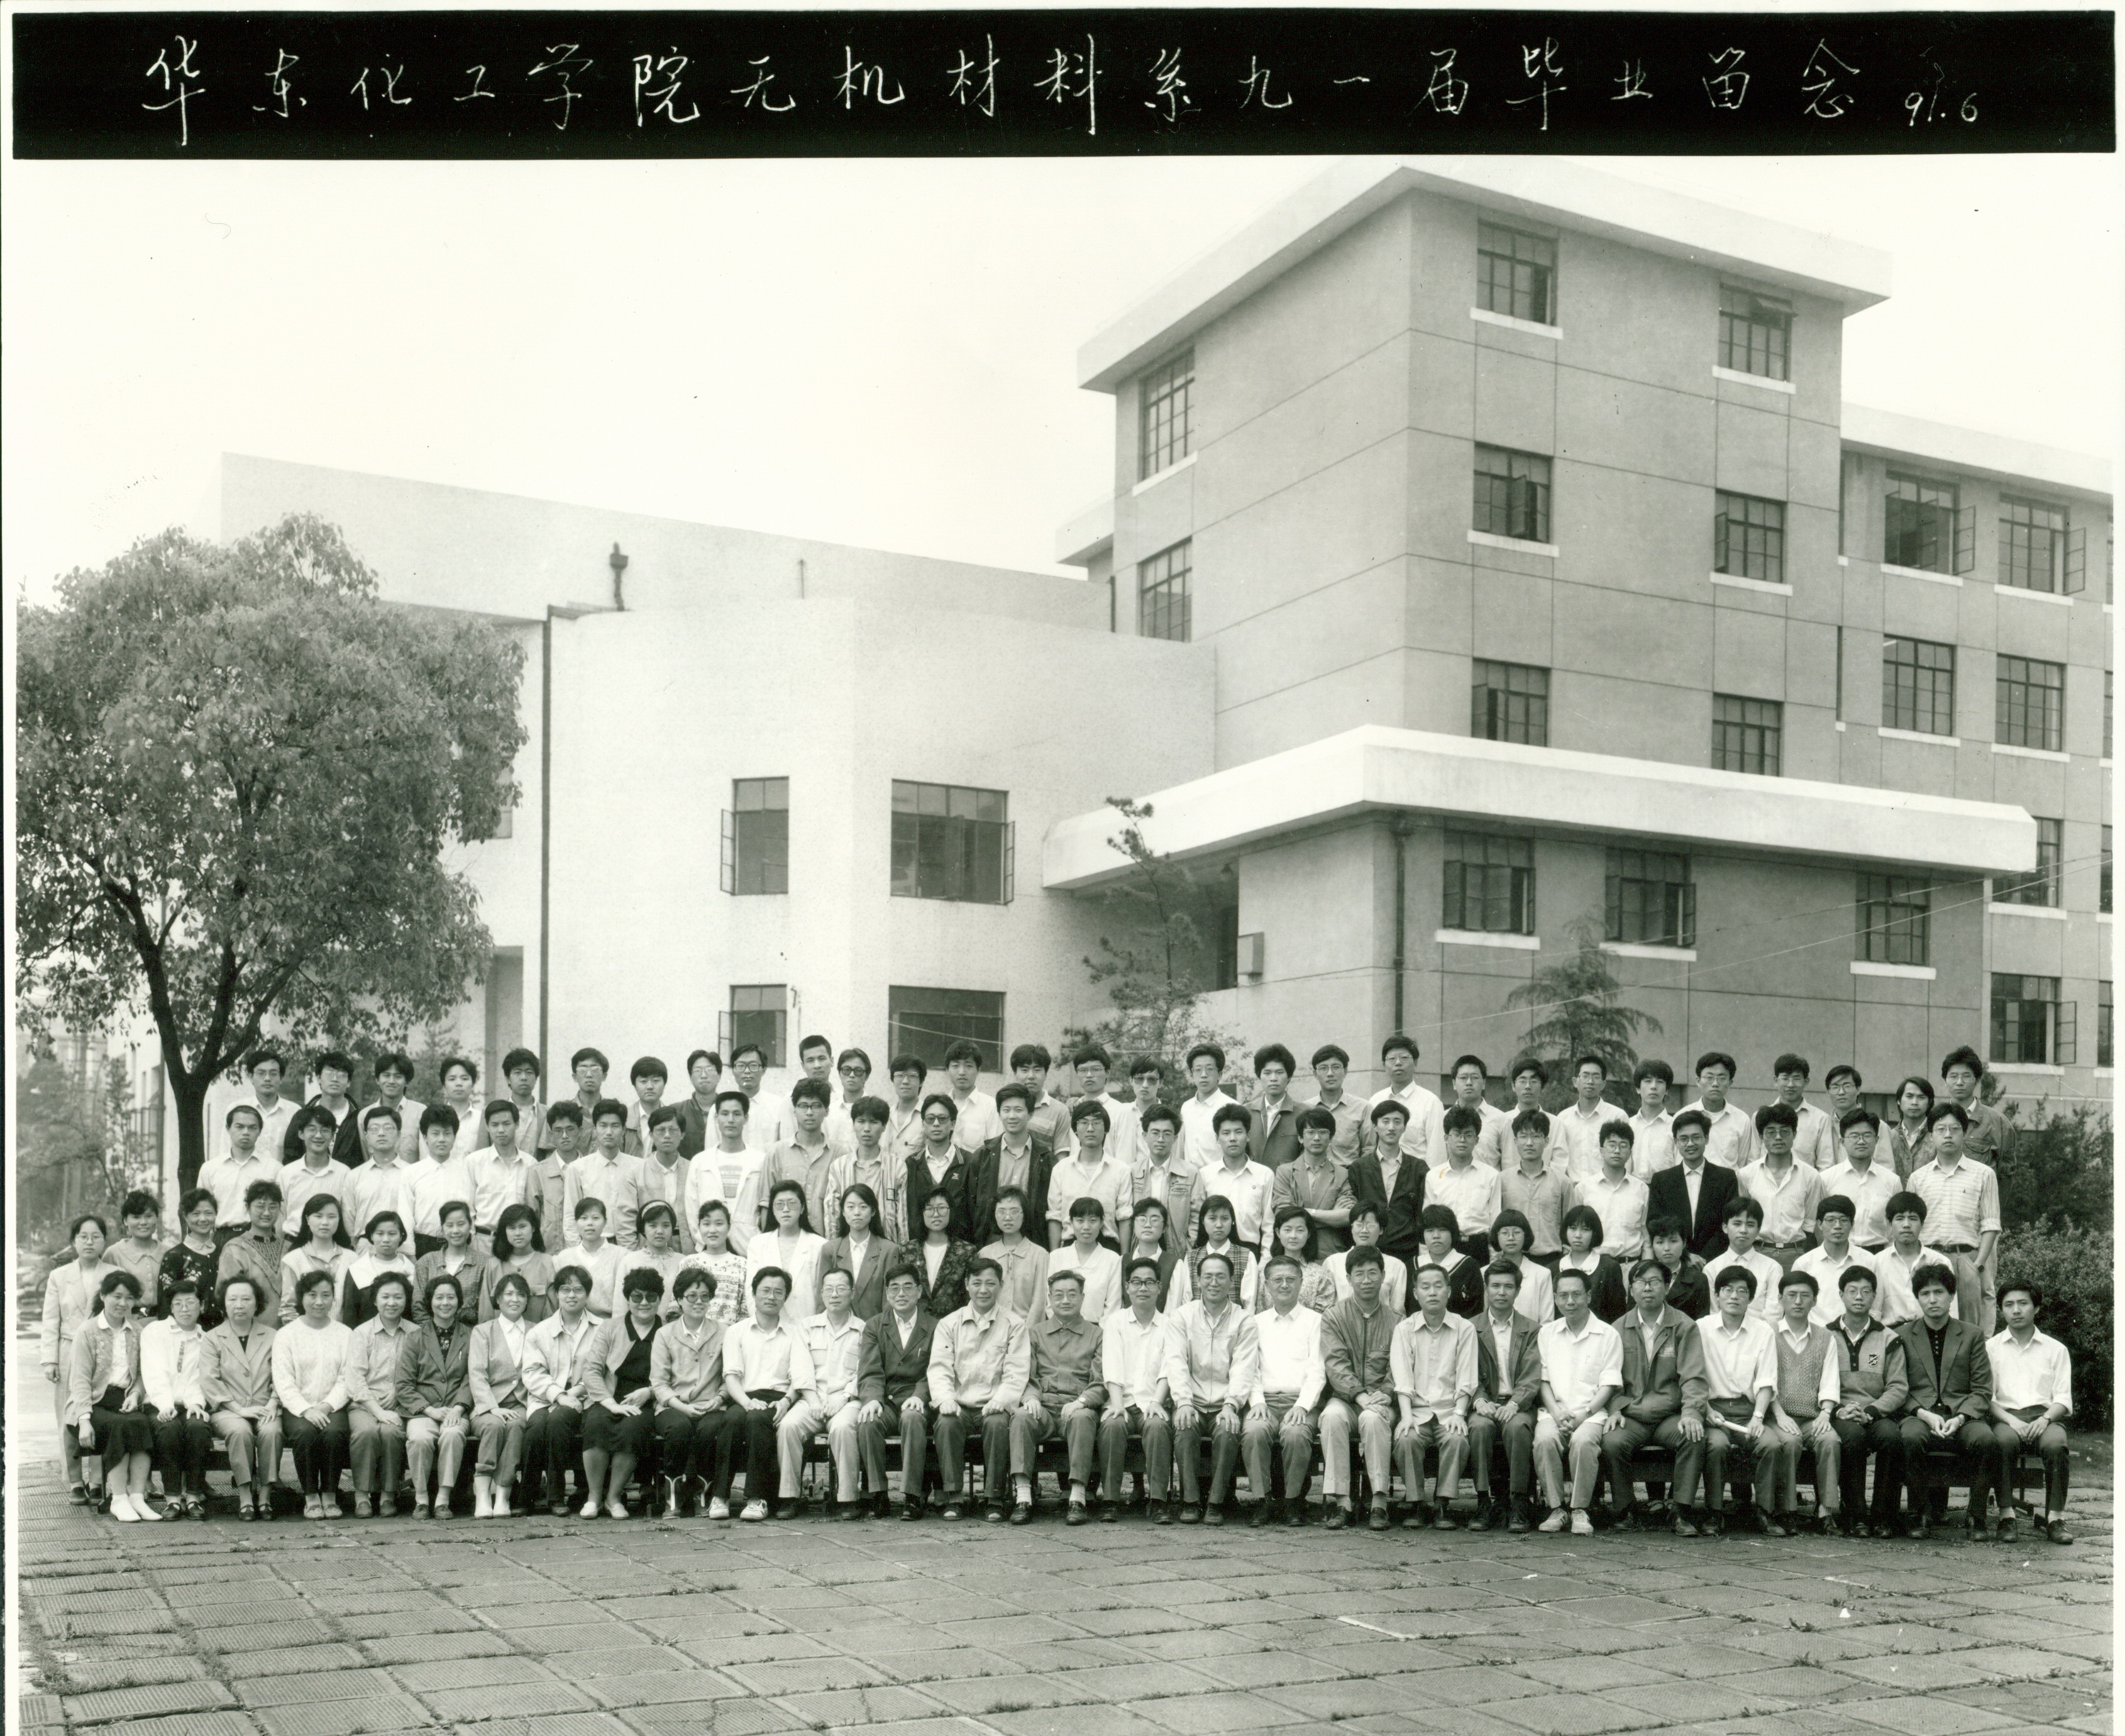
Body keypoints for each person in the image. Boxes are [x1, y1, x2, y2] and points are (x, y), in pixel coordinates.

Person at [1599, 1256, 1708, 1535]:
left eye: (1655, 1282)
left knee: (1694, 1436)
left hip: (1670, 1416)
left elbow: (1693, 1376)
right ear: (1631, 1289)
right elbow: (1610, 1378)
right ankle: (1625, 1509)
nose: (1647, 1288)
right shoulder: (1617, 1329)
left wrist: (1691, 1413)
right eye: (1641, 1282)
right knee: (1612, 1442)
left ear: (1667, 1287)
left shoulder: (1683, 1326)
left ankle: (1681, 1510)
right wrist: (1614, 1409)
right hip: (1632, 1416)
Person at [927, 1257, 1029, 1523]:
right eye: (977, 1283)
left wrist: (1001, 1400)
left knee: (998, 1424)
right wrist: (946, 1399)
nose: (983, 1290)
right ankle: (953, 1497)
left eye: (990, 1283)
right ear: (966, 1285)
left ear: (1001, 1285)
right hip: (959, 1405)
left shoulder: (1014, 1324)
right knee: (946, 1423)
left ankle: (994, 1498)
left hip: (994, 1405)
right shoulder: (949, 1324)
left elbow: (1017, 1371)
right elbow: (939, 1368)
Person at [1896, 1264, 1993, 1539]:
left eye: (1939, 1292)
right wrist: (1922, 1413)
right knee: (1910, 1437)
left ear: (1952, 1296)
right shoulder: (1903, 1335)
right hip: (1919, 1414)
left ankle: (1977, 1517)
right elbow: (1898, 1387)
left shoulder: (1972, 1334)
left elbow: (1982, 1389)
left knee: (1986, 1440)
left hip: (1962, 1415)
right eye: (1925, 1294)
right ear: (1917, 1298)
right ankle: (1919, 1514)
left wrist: (1961, 1417)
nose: (1932, 1300)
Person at [1694, 1266, 1791, 1535]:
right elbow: (1692, 1376)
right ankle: (1714, 1512)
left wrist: (1758, 1417)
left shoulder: (1762, 1331)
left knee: (1771, 1445)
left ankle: (1765, 1512)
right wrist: (1706, 1408)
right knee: (1716, 1446)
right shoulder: (1701, 1328)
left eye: (1742, 1291)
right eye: (1727, 1290)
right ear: (1717, 1295)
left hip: (1749, 1411)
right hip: (1713, 1411)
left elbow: (1767, 1380)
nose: (1734, 1296)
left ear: (1750, 1298)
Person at [1165, 1251, 1257, 1525]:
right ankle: (1190, 1501)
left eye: (1220, 1277)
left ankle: (1216, 1503)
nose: (1214, 1283)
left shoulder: (1244, 1320)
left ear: (1231, 1281)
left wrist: (1232, 1405)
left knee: (1228, 1429)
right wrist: (1183, 1401)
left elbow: (1243, 1367)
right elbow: (1176, 1362)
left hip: (1224, 1402)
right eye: (1208, 1277)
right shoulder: (1182, 1316)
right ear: (1198, 1280)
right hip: (1191, 1401)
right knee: (1184, 1427)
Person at [1010, 1269, 1107, 1524]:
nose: (1066, 1300)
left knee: (1084, 1418)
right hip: (1043, 1408)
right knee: (1020, 1417)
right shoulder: (1035, 1333)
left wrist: (1081, 1402)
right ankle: (1023, 1497)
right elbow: (1025, 1374)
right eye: (1059, 1295)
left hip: (1075, 1407)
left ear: (1082, 1297)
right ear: (1049, 1298)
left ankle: (1077, 1497)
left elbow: (1100, 1381)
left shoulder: (1097, 1334)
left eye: (1072, 1294)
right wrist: (1030, 1397)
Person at [1984, 1279, 2075, 1545]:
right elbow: (1986, 1398)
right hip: (2006, 1418)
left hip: (2045, 1419)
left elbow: (2063, 1398)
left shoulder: (2055, 1349)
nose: (2016, 1310)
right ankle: (2006, 1516)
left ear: (2036, 1308)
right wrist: (2011, 1421)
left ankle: (2055, 1518)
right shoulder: (1991, 1348)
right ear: (2001, 1310)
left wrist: (2045, 1419)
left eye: (2023, 1303)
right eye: (2009, 1305)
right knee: (2002, 1442)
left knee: (2057, 1446)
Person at [1532, 1267, 1621, 1535]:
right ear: (1555, 1299)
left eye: (1576, 1295)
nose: (1570, 1302)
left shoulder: (1607, 1334)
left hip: (1591, 1414)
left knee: (1583, 1442)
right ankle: (1556, 1508)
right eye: (1563, 1296)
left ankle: (1580, 1509)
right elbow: (1543, 1381)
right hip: (1554, 1411)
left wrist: (1584, 1414)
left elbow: (1608, 1385)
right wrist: (1556, 1412)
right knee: (1544, 1440)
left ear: (1589, 1296)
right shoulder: (1547, 1333)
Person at [722, 1267, 816, 1520]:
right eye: (765, 1291)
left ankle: (757, 1498)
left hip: (780, 1398)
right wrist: (746, 1402)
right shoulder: (736, 1331)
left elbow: (800, 1375)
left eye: (778, 1292)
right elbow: (731, 1376)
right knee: (730, 1420)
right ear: (754, 1294)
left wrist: (787, 1401)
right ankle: (719, 1496)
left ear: (785, 1297)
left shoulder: (796, 1331)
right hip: (745, 1396)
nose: (771, 1297)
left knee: (758, 1420)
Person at [1318, 1246, 1401, 1531]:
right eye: (1360, 1274)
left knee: (1373, 1419)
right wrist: (1359, 1394)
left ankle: (1379, 1502)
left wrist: (1386, 1393)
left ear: (1383, 1276)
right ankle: (1343, 1502)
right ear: (1348, 1279)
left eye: (1373, 1273)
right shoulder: (1334, 1316)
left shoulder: (1397, 1321)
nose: (1366, 1281)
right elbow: (1335, 1364)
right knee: (1331, 1417)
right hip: (1345, 1398)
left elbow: (1398, 1367)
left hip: (1381, 1401)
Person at [1391, 1263, 1478, 1529]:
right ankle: (1416, 1503)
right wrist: (1406, 1416)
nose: (1432, 1292)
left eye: (1438, 1286)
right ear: (1415, 1293)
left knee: (1457, 1439)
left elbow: (1466, 1377)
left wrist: (1460, 1414)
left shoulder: (1464, 1328)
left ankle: (1442, 1504)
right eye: (1425, 1287)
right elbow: (1403, 1378)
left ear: (1449, 1292)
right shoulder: (1404, 1329)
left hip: (1450, 1410)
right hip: (1416, 1410)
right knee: (1406, 1439)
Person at [1825, 1266, 1909, 1539]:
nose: (1859, 1297)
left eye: (1865, 1291)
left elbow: (1898, 1387)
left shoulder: (1889, 1338)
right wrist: (1840, 1410)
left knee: (1892, 1438)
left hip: (1876, 1412)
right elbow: (1816, 1383)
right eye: (1852, 1291)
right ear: (1841, 1295)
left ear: (1874, 1296)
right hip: (1839, 1412)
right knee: (1853, 1438)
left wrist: (1871, 1411)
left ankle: (1884, 1516)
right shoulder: (1825, 1336)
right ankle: (1856, 1515)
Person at [39, 1214, 117, 1503]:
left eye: (96, 1237)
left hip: (104, 1350)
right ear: (74, 1241)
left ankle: (97, 1481)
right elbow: (51, 1320)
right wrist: (50, 1360)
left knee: (99, 1412)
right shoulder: (59, 1276)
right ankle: (74, 1480)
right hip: (68, 1350)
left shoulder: (114, 1273)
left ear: (104, 1241)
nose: (89, 1242)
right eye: (83, 1237)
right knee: (68, 1416)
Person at [1907, 1102, 2003, 1335]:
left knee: (1971, 1330)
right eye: (1941, 1130)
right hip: (1929, 1259)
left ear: (1965, 1133)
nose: (1948, 1135)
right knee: (1928, 1328)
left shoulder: (1984, 1174)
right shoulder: (1918, 1178)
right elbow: (1910, 1225)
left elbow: (1991, 1224)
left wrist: (1977, 1265)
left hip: (1967, 1259)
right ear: (1931, 1135)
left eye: (1955, 1129)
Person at [1245, 1254, 1325, 1528]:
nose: (1284, 1285)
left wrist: (1302, 1406)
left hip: (1300, 1400)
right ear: (1267, 1285)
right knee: (1254, 1431)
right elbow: (1251, 1369)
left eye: (1291, 1279)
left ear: (1301, 1282)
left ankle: (1293, 1502)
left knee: (1295, 1433)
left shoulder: (1315, 1321)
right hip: (1265, 1400)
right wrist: (1257, 1402)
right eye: (1277, 1280)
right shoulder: (1256, 1322)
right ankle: (1262, 1500)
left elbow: (1317, 1371)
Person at [780, 1267, 866, 1517]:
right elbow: (800, 1367)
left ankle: (848, 1499)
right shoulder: (807, 1327)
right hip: (812, 1399)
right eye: (828, 1289)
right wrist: (813, 1400)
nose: (834, 1294)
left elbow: (865, 1372)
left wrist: (843, 1399)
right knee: (788, 1426)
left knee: (843, 1428)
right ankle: (789, 1497)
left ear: (852, 1293)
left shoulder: (864, 1329)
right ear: (821, 1294)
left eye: (841, 1289)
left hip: (848, 1401)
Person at [856, 1266, 937, 1520]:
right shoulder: (875, 1326)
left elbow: (936, 1370)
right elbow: (870, 1370)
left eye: (908, 1287)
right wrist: (872, 1400)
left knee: (913, 1418)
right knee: (868, 1421)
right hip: (887, 1401)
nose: (901, 1294)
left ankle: (913, 1496)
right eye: (895, 1288)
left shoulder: (935, 1326)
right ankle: (877, 1493)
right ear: (888, 1293)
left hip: (918, 1400)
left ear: (919, 1291)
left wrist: (920, 1395)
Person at [73, 1272, 157, 1520]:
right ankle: (119, 1499)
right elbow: (80, 1380)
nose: (123, 1303)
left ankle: (137, 1497)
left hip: (125, 1399)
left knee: (141, 1423)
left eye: (129, 1298)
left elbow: (142, 1373)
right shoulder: (87, 1331)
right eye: (117, 1296)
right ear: (103, 1296)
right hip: (93, 1403)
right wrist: (84, 1420)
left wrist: (137, 1394)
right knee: (120, 1426)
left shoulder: (138, 1331)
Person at [273, 1268, 354, 1521]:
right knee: (305, 1432)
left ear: (333, 1298)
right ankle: (310, 1497)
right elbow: (283, 1379)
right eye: (312, 1295)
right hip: (298, 1407)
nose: (319, 1302)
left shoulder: (345, 1334)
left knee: (334, 1432)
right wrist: (306, 1409)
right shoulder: (287, 1335)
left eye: (326, 1295)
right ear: (301, 1298)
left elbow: (347, 1377)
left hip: (333, 1406)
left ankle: (329, 1495)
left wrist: (328, 1406)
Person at [581, 1268, 663, 1518]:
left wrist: (650, 1392)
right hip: (609, 1398)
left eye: (651, 1297)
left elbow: (677, 1376)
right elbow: (591, 1370)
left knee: (633, 1429)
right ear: (628, 1299)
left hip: (647, 1402)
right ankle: (594, 1498)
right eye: (637, 1297)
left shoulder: (667, 1331)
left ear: (660, 1299)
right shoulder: (610, 1328)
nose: (644, 1303)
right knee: (596, 1424)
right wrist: (611, 1404)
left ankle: (613, 1498)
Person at [1098, 1258, 1175, 1523]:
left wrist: (1157, 1402)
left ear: (1159, 1287)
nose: (1143, 1288)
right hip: (1122, 1399)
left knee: (1158, 1426)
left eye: (1149, 1282)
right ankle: (1110, 1500)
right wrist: (1117, 1405)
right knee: (1112, 1425)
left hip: (1154, 1400)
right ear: (1127, 1287)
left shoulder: (1170, 1324)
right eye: (1137, 1282)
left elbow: (1168, 1369)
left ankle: (1158, 1501)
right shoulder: (1115, 1322)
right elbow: (1112, 1366)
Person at [1468, 1261, 1542, 1533]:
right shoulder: (1470, 1328)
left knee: (1518, 1427)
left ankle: (1519, 1501)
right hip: (1485, 1403)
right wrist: (1479, 1400)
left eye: (1508, 1287)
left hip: (1519, 1403)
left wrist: (1515, 1404)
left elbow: (1532, 1375)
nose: (1501, 1292)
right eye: (1496, 1286)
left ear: (1518, 1290)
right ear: (1486, 1289)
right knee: (1479, 1427)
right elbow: (1466, 1372)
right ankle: (1483, 1501)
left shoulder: (1531, 1329)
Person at [650, 1265, 728, 1518]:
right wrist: (682, 1407)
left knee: (710, 1430)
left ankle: (702, 1495)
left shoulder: (724, 1332)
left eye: (705, 1296)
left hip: (712, 1404)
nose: (699, 1302)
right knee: (679, 1429)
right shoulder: (665, 1334)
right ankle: (673, 1497)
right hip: (673, 1405)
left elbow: (730, 1375)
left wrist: (720, 1398)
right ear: (680, 1299)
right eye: (692, 1296)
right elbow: (659, 1383)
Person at [202, 1274, 281, 1520]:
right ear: (223, 1304)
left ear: (257, 1303)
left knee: (272, 1432)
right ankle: (245, 1497)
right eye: (233, 1299)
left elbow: (283, 1375)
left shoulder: (273, 1336)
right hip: (228, 1409)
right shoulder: (212, 1338)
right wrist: (238, 1409)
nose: (239, 1305)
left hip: (266, 1406)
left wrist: (273, 1402)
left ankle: (265, 1497)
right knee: (240, 1432)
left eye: (246, 1299)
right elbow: (209, 1380)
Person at [522, 1263, 600, 1514]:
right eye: (565, 1289)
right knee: (536, 1428)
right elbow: (532, 1372)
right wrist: (558, 1395)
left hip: (586, 1398)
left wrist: (574, 1393)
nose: (571, 1295)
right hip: (546, 1397)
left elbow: (602, 1371)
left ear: (587, 1294)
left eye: (578, 1289)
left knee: (559, 1420)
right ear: (556, 1293)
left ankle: (556, 1497)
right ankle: (527, 1495)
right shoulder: (540, 1331)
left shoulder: (601, 1329)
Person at [1769, 1272, 1841, 1534]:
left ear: (1815, 1301)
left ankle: (1826, 1512)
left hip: (1813, 1417)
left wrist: (1825, 1413)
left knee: (1830, 1440)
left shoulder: (1825, 1337)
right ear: (1781, 1299)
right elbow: (1764, 1381)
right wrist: (1779, 1415)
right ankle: (1787, 1510)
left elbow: (1830, 1380)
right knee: (1790, 1442)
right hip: (1777, 1416)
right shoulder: (1768, 1334)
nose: (1798, 1301)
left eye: (1805, 1296)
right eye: (1792, 1295)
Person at [399, 1274, 473, 1518]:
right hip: (424, 1410)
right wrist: (429, 1410)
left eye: (451, 1297)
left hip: (455, 1408)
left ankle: (442, 1499)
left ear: (459, 1301)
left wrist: (459, 1408)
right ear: (430, 1302)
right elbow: (404, 1384)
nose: (445, 1303)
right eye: (439, 1297)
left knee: (453, 1435)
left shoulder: (471, 1336)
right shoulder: (415, 1338)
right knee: (420, 1438)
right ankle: (421, 1499)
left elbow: (473, 1377)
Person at [343, 1270, 414, 1516]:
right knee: (366, 1432)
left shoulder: (415, 1333)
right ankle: (362, 1495)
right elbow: (355, 1379)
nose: (391, 1303)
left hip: (399, 1403)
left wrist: (398, 1393)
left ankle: (388, 1495)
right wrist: (377, 1410)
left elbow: (419, 1374)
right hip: (364, 1404)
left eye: (398, 1297)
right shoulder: (361, 1333)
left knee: (392, 1432)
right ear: (375, 1300)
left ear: (406, 1300)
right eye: (385, 1297)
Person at [141, 1278, 213, 1518]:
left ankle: (193, 1497)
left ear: (201, 1306)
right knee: (168, 1428)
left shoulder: (206, 1339)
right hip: (158, 1403)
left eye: (190, 1302)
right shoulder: (155, 1331)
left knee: (198, 1427)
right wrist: (165, 1405)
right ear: (171, 1307)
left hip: (190, 1403)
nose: (184, 1309)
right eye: (178, 1303)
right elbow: (154, 1372)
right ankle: (172, 1499)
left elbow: (201, 1377)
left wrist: (196, 1404)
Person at [468, 1270, 536, 1517]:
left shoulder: (536, 1331)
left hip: (521, 1404)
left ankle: (503, 1495)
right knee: (494, 1426)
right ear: (498, 1299)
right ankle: (483, 1495)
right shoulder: (483, 1331)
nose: (514, 1299)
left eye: (521, 1294)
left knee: (517, 1426)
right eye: (508, 1294)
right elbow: (477, 1373)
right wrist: (492, 1407)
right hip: (487, 1406)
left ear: (527, 1300)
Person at [969, 1083, 1056, 1250]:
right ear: (999, 1114)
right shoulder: (983, 1156)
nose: (1012, 1116)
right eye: (1006, 1110)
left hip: (1033, 1241)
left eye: (1018, 1110)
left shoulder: (1046, 1158)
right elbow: (972, 1205)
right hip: (991, 1242)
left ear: (1030, 1114)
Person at [1741, 1103, 1826, 1273]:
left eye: (1785, 1132)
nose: (1778, 1137)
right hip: (1758, 1252)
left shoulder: (1811, 1176)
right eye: (1771, 1132)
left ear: (1795, 1134)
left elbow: (1810, 1224)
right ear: (1761, 1136)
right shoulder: (1746, 1175)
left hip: (1797, 1253)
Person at [1648, 1110, 1741, 1261]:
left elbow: (1729, 1223)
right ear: (1676, 1142)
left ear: (1706, 1138)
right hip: (1675, 1260)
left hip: (1716, 1260)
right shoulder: (1661, 1180)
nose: (1690, 1144)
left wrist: (1704, 1258)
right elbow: (1655, 1224)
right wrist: (1686, 1256)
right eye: (1684, 1139)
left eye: (1696, 1137)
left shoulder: (1726, 1178)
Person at [1188, 1104, 1276, 1260]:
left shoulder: (1264, 1175)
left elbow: (1269, 1224)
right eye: (1226, 1133)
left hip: (1251, 1252)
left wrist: (1265, 1260)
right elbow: (1198, 1220)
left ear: (1248, 1136)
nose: (1233, 1138)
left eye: (1238, 1132)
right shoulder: (1205, 1175)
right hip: (1213, 1253)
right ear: (1217, 1138)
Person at [1044, 1100, 1132, 1252]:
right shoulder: (1061, 1169)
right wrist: (1055, 1255)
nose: (1090, 1129)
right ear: (1075, 1129)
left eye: (1096, 1123)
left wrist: (1124, 1258)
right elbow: (1055, 1217)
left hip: (1109, 1248)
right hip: (1070, 1247)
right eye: (1084, 1123)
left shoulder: (1121, 1170)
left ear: (1106, 1129)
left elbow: (1124, 1217)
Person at [1272, 1107, 1357, 1259]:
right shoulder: (1285, 1172)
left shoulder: (1342, 1174)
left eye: (1323, 1132)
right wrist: (1330, 1216)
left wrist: (1303, 1211)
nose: (1316, 1138)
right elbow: (1283, 1215)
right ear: (1300, 1138)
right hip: (1294, 1250)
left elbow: (1347, 1217)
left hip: (1329, 1251)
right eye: (1310, 1132)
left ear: (1331, 1138)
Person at [824, 1096, 904, 1252]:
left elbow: (903, 1218)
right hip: (848, 1250)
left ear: (884, 1126)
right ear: (853, 1124)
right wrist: (834, 1251)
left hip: (887, 1250)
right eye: (861, 1121)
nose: (867, 1129)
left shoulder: (897, 1167)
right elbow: (831, 1215)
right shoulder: (839, 1167)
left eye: (874, 1122)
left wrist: (902, 1253)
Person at [762, 1078, 838, 1239]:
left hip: (828, 1242)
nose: (809, 1113)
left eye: (816, 1106)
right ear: (794, 1111)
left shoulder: (839, 1154)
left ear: (827, 1111)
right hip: (785, 1241)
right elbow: (766, 1204)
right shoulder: (777, 1153)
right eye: (803, 1106)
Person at [565, 1100, 644, 1249]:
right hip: (592, 1245)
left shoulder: (639, 1167)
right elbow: (570, 1216)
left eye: (615, 1126)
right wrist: (580, 1252)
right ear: (595, 1129)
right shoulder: (577, 1168)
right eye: (603, 1125)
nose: (609, 1132)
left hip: (630, 1245)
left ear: (624, 1130)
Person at [1428, 1108, 1503, 1265]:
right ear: (1446, 1138)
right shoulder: (1434, 1176)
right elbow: (1428, 1222)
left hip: (1478, 1247)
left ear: (1476, 1140)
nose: (1462, 1140)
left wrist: (1494, 1262)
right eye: (1457, 1134)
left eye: (1468, 1135)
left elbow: (1495, 1221)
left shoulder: (1491, 1175)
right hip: (1445, 1247)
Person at [466, 1100, 543, 1250]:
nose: (501, 1130)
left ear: (517, 1124)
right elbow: (468, 1208)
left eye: (506, 1124)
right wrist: (472, 1241)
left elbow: (534, 1210)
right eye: (495, 1125)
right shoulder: (474, 1162)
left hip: (519, 1243)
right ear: (487, 1127)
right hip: (483, 1242)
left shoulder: (530, 1164)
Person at [695, 1091, 766, 1253]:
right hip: (709, 1248)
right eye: (725, 1114)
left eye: (737, 1114)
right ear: (716, 1118)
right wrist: (702, 1241)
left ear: (746, 1118)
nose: (731, 1120)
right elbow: (692, 1209)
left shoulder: (760, 1161)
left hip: (749, 1246)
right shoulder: (700, 1161)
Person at [1823, 1110, 1901, 1254]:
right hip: (1839, 1253)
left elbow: (1896, 1227)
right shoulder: (1826, 1179)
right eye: (1854, 1136)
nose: (1861, 1141)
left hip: (1878, 1254)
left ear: (1876, 1140)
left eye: (1867, 1136)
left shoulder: (1892, 1181)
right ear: (1842, 1142)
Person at [746, 1181, 826, 1321]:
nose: (786, 1209)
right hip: (769, 1323)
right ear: (772, 1209)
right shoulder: (758, 1243)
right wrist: (760, 1322)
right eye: (779, 1204)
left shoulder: (819, 1245)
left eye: (792, 1204)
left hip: (806, 1322)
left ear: (802, 1207)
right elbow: (751, 1289)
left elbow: (822, 1294)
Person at [200, 1103, 280, 1243]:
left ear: (260, 1131)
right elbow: (203, 1209)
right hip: (223, 1238)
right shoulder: (210, 1168)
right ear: (228, 1128)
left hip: (262, 1237)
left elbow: (280, 1212)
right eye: (239, 1127)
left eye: (252, 1128)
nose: (246, 1132)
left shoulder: (274, 1168)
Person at [904, 1095, 977, 1246]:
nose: (936, 1124)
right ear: (923, 1124)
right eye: (930, 1119)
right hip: (921, 1246)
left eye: (942, 1119)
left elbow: (974, 1211)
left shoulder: (969, 1161)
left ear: (953, 1124)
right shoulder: (912, 1163)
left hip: (960, 1247)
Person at [1367, 1033, 1446, 1173]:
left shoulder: (1431, 1102)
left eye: (1404, 1057)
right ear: (1384, 1066)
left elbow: (1437, 1155)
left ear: (1415, 1063)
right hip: (1380, 1176)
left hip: (1417, 1178)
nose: (1398, 1063)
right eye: (1392, 1059)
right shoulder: (1375, 1100)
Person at [820, 1183, 900, 1320]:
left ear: (873, 1211)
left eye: (863, 1207)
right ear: (843, 1212)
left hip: (875, 1328)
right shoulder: (830, 1250)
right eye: (851, 1207)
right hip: (838, 1327)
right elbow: (823, 1297)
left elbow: (889, 1302)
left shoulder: (889, 1250)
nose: (857, 1212)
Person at [1546, 1055, 1630, 1184]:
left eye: (1596, 1077)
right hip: (1572, 1189)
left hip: (1605, 1188)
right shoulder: (1563, 1118)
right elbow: (1558, 1159)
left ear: (1603, 1084)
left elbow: (1625, 1158)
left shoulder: (1617, 1116)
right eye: (1585, 1076)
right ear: (1575, 1082)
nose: (1590, 1082)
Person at [1131, 1097, 1200, 1254]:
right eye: (1155, 1133)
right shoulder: (1132, 1172)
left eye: (1167, 1134)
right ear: (1144, 1136)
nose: (1161, 1139)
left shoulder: (1190, 1173)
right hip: (1140, 1251)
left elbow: (1197, 1218)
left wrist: (1188, 1251)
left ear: (1175, 1138)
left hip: (1177, 1252)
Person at [1499, 1108, 1568, 1265]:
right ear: (1515, 1141)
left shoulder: (1562, 1182)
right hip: (1512, 1260)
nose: (1529, 1143)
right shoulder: (1502, 1180)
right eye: (1523, 1137)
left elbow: (1569, 1225)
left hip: (1551, 1260)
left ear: (1546, 1141)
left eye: (1536, 1137)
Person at [1574, 1124, 1650, 1263]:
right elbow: (1575, 1233)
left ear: (1630, 1152)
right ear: (1601, 1151)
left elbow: (1646, 1237)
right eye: (1612, 1145)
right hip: (1594, 1265)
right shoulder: (1583, 1189)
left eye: (1623, 1146)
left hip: (1631, 1265)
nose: (1617, 1151)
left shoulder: (1642, 1189)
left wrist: (1646, 1266)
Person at [1792, 1198, 1874, 1325]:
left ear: (1852, 1224)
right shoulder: (1804, 1264)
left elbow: (1876, 1307)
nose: (1837, 1226)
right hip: (1816, 1332)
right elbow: (1796, 1307)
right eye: (1830, 1220)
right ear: (1820, 1224)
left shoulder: (1868, 1261)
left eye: (1844, 1220)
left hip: (1857, 1332)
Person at [217, 1181, 289, 1327]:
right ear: (248, 1208)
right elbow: (225, 1297)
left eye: (273, 1207)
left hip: (289, 1331)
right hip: (250, 1332)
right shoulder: (235, 1249)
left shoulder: (288, 1248)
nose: (267, 1213)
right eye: (260, 1207)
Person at [345, 1108, 418, 1251]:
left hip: (402, 1248)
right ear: (367, 1136)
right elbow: (349, 1218)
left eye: (388, 1128)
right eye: (374, 1129)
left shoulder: (412, 1173)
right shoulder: (354, 1176)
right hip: (365, 1248)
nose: (381, 1133)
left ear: (399, 1135)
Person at [408, 1106, 475, 1258]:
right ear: (425, 1137)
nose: (442, 1139)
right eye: (435, 1134)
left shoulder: (467, 1171)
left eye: (447, 1134)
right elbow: (406, 1218)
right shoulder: (411, 1173)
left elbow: (471, 1213)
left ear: (454, 1136)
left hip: (460, 1245)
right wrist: (411, 1255)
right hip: (423, 1245)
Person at [1167, 1196, 1256, 1310]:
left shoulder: (1246, 1257)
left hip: (1235, 1320)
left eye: (1225, 1219)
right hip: (1197, 1320)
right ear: (1203, 1221)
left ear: (1233, 1221)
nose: (1219, 1225)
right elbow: (1186, 1301)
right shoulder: (1191, 1258)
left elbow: (1249, 1305)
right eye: (1213, 1218)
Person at [1753, 1054, 1838, 1171]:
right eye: (1785, 1079)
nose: (1790, 1085)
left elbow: (1826, 1165)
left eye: (1796, 1079)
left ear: (1806, 1082)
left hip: (1806, 1181)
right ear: (1776, 1081)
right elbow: (1754, 1159)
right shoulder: (1760, 1116)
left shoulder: (1821, 1119)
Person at [278, 1193, 353, 1325]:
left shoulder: (352, 1258)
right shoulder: (293, 1259)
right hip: (305, 1335)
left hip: (344, 1334)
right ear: (307, 1219)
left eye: (331, 1217)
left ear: (339, 1220)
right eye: (318, 1216)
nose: (325, 1223)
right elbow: (288, 1310)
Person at [412, 1202, 492, 1325]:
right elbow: (418, 1307)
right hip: (430, 1333)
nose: (455, 1231)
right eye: (449, 1225)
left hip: (471, 1332)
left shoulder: (484, 1263)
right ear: (442, 1228)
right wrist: (431, 1333)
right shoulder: (426, 1262)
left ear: (470, 1225)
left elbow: (485, 1310)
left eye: (461, 1224)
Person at [280, 1108, 353, 1242]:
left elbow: (348, 1217)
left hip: (331, 1244)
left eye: (325, 1130)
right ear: (301, 1134)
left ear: (333, 1136)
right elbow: (280, 1215)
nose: (319, 1136)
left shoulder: (344, 1173)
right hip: (292, 1242)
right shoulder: (287, 1173)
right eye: (312, 1130)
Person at [283, 1049, 365, 1166]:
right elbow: (291, 1158)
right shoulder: (302, 1116)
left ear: (349, 1082)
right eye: (329, 1074)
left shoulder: (360, 1118)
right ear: (319, 1078)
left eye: (341, 1075)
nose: (335, 1079)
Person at [1706, 1199, 1782, 1324]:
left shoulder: (1772, 1267)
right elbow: (1713, 1312)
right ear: (1725, 1227)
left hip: (1761, 1333)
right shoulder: (1712, 1268)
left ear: (1758, 1231)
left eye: (1750, 1225)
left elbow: (1773, 1315)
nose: (1743, 1230)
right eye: (1737, 1224)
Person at [978, 1187, 1049, 1321]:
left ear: (1024, 1214)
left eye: (1014, 1211)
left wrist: (1025, 1331)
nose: (1008, 1217)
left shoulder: (1040, 1255)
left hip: (1027, 1328)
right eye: (1001, 1212)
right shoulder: (985, 1253)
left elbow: (1039, 1301)